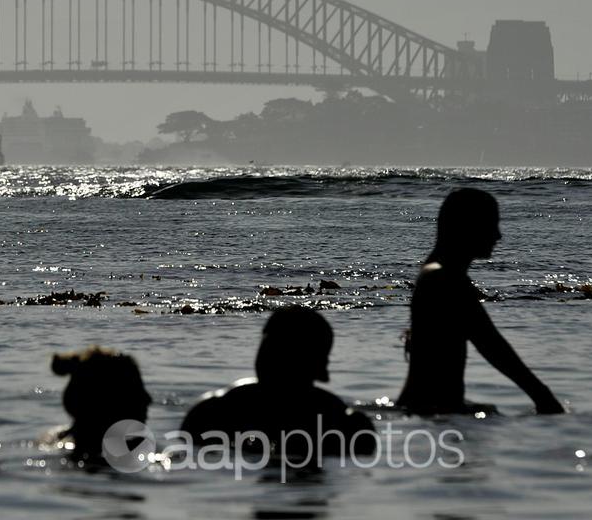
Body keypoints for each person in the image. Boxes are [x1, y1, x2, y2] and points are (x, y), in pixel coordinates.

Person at [397, 188, 564, 415]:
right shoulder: (444, 279)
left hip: (431, 410)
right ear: (468, 226)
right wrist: (543, 397)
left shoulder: (437, 273)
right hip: (432, 410)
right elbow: (491, 344)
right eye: (491, 224)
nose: (498, 235)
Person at [180, 307, 376, 461]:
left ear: (319, 367)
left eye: (284, 352)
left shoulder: (347, 425)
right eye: (267, 348)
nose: (270, 360)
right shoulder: (214, 412)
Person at [51, 346, 153, 462]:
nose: (148, 399)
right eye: (135, 390)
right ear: (106, 399)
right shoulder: (104, 457)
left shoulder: (58, 440)